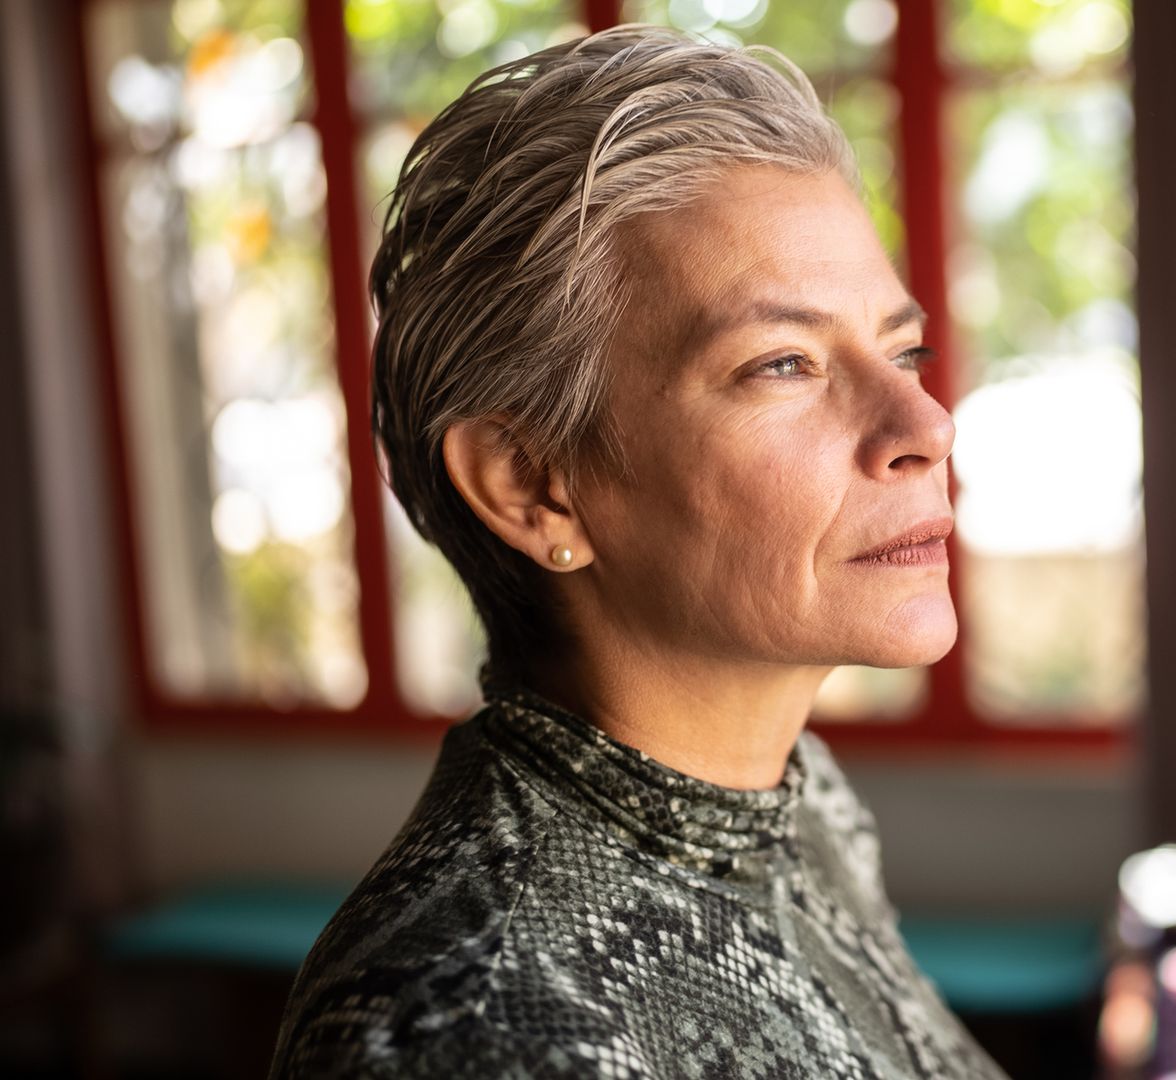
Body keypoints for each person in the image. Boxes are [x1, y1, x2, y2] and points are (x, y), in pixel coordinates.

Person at [270, 23, 1007, 1079]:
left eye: (904, 350)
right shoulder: (476, 1033)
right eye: (784, 363)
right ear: (532, 485)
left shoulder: (803, 804)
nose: (926, 425)